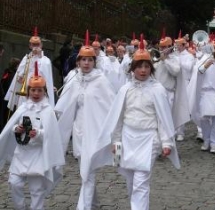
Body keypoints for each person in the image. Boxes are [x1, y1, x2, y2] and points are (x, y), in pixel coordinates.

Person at [90, 36, 180, 210]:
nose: (143, 70)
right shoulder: (125, 90)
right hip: (128, 139)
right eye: (140, 66)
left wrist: (166, 142)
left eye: (147, 66)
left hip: (149, 139)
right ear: (133, 68)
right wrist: (116, 144)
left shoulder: (157, 89)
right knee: (131, 181)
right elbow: (118, 118)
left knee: (141, 181)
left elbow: (163, 118)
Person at [55, 30, 116, 210]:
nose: (87, 63)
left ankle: (83, 207)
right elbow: (63, 106)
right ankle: (94, 204)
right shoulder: (73, 79)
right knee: (85, 171)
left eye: (90, 60)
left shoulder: (101, 80)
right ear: (78, 61)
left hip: (95, 131)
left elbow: (111, 106)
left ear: (94, 62)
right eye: (83, 60)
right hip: (79, 130)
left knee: (88, 171)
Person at [0, 61, 65, 210]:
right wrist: (17, 129)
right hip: (21, 154)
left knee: (36, 190)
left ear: (44, 92)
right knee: (14, 183)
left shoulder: (48, 111)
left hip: (38, 155)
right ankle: (20, 207)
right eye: (33, 90)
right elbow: (12, 126)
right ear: (29, 91)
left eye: (39, 90)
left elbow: (51, 134)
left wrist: (38, 134)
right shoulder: (23, 107)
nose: (36, 94)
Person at [5, 27, 55, 110]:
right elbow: (19, 74)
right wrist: (20, 78)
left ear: (41, 45)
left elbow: (46, 77)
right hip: (26, 92)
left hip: (39, 91)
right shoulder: (26, 58)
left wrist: (38, 57)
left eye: (37, 44)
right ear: (30, 46)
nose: (35, 47)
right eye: (33, 45)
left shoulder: (46, 60)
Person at [174, 31, 194, 141]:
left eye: (178, 45)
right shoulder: (174, 55)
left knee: (181, 107)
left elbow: (189, 67)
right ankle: (173, 129)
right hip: (175, 82)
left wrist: (178, 61)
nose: (176, 47)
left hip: (185, 83)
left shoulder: (189, 56)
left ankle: (180, 131)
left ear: (182, 45)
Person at [0, 57, 20, 132]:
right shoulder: (13, 75)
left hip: (4, 97)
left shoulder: (7, 72)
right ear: (17, 65)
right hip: (8, 99)